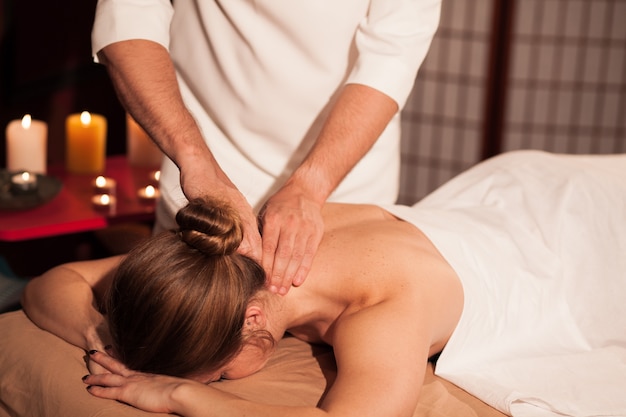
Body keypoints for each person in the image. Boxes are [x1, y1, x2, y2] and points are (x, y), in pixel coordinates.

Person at [21, 151, 626, 417]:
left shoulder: (378, 313)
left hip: (578, 243)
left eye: (219, 373)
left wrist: (177, 395)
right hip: (503, 197)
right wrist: (106, 345)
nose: (214, 382)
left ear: (252, 322)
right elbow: (56, 282)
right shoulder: (224, 255)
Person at [90, 0, 442, 294]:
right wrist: (195, 160)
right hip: (203, 172)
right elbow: (129, 15)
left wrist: (311, 186)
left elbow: (392, 56)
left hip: (342, 190)